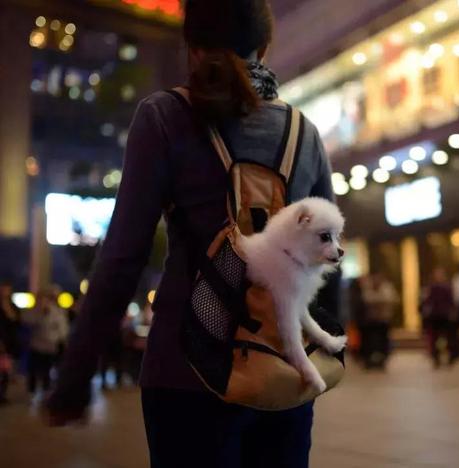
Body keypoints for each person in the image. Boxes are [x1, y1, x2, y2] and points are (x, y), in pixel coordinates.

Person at [45, 1, 335, 466]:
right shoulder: (305, 133)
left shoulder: (163, 116)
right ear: (265, 45)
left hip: (185, 375)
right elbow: (327, 262)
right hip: (282, 377)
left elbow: (123, 257)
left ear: (192, 48)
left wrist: (74, 379)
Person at [24, 291, 69, 396]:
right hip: (36, 345)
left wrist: (58, 339)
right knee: (33, 370)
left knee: (46, 370)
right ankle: (32, 390)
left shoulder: (57, 312)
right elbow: (27, 322)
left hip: (50, 346)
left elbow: (62, 329)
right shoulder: (33, 312)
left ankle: (46, 390)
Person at [421, 267, 459, 368]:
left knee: (449, 338)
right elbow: (428, 301)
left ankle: (451, 357)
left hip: (446, 316)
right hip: (435, 316)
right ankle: (436, 358)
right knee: (435, 338)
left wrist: (453, 312)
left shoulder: (447, 287)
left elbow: (451, 301)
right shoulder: (432, 287)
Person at [360, 273, 398, 369]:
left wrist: (377, 301)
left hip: (384, 319)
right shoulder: (367, 287)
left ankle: (382, 360)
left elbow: (391, 299)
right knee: (369, 342)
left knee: (383, 342)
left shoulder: (387, 288)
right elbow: (366, 299)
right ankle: (369, 361)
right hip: (370, 320)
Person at [0, 283, 20, 404]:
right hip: (1, 340)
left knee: (6, 370)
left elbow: (17, 322)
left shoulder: (13, 307)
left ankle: (2, 394)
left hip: (10, 342)